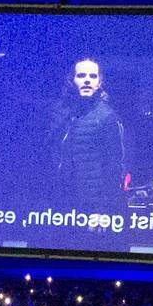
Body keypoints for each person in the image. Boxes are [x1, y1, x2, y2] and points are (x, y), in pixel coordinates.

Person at [48, 58, 126, 210]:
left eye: (93, 76)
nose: (87, 81)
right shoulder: (59, 113)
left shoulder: (106, 117)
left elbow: (114, 166)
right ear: (71, 80)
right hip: (59, 202)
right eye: (81, 76)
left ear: (99, 83)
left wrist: (103, 210)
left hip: (91, 206)